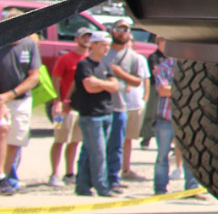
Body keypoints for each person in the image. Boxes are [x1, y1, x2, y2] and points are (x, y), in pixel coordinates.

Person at [72, 31, 121, 197]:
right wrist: (105, 84)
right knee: (98, 153)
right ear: (93, 45)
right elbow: (89, 87)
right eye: (103, 45)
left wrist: (100, 83)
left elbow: (115, 86)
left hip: (106, 112)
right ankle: (102, 186)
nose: (106, 48)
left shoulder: (105, 65)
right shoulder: (84, 65)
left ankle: (82, 186)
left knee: (90, 151)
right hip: (91, 115)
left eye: (108, 45)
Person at [103, 18, 149, 190]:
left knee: (117, 145)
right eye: (119, 29)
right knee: (98, 145)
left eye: (125, 30)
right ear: (112, 31)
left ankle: (113, 179)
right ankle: (94, 179)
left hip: (121, 106)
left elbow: (138, 81)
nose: (122, 33)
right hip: (101, 106)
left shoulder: (133, 57)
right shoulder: (104, 52)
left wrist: (121, 74)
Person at [0, 6, 43, 193]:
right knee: (2, 131)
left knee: (15, 140)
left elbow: (34, 77)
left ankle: (6, 177)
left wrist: (11, 94)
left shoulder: (29, 44)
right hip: (0, 98)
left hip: (20, 98)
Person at [148, 41, 198, 195]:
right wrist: (186, 89)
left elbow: (196, 89)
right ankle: (160, 189)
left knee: (190, 156)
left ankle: (191, 188)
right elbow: (162, 90)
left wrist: (175, 89)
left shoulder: (192, 68)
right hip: (166, 119)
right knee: (162, 157)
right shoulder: (163, 67)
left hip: (186, 119)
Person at [48, 29, 91, 187]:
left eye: (89, 37)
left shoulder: (90, 59)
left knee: (75, 141)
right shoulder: (65, 58)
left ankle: (69, 173)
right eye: (83, 37)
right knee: (59, 139)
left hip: (81, 107)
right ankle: (54, 173)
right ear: (76, 39)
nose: (86, 40)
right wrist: (57, 101)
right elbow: (56, 80)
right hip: (63, 108)